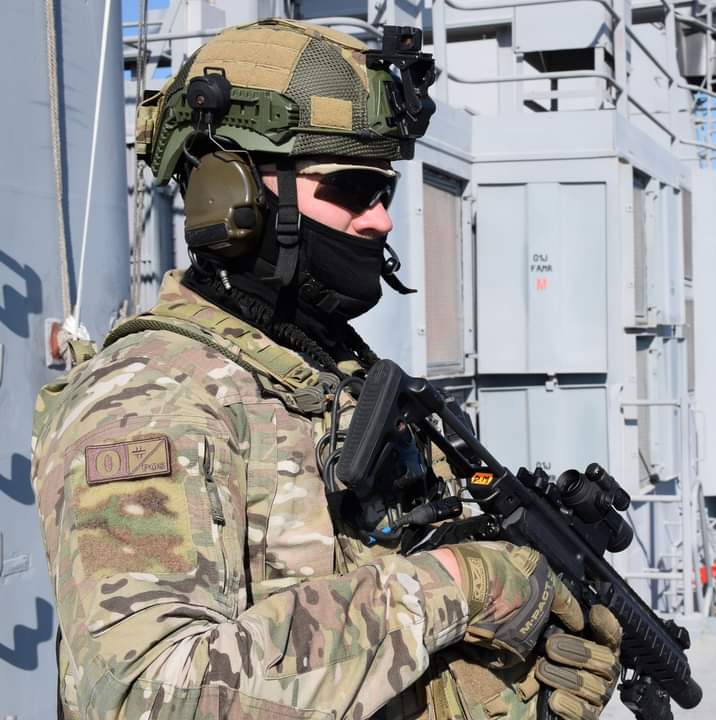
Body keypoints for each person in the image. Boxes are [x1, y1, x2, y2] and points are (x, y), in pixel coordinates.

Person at [31, 19, 621, 719]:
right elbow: (146, 693)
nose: (381, 221)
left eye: (384, 195)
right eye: (352, 189)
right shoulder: (148, 399)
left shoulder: (324, 365)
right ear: (231, 193)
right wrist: (461, 585)